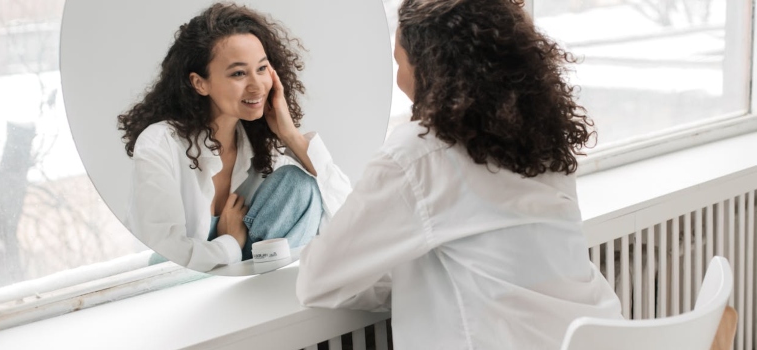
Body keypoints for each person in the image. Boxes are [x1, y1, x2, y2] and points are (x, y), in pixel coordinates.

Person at [296, 0, 622, 348]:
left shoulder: (419, 153)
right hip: (606, 334)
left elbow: (318, 279)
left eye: (398, 61)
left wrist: (408, 282)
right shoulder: (540, 141)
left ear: (429, 68)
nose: (398, 78)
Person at [117, 3, 351, 273]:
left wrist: (290, 135)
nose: (256, 85)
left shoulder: (262, 146)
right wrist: (229, 242)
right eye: (239, 73)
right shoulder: (160, 144)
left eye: (262, 69)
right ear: (199, 83)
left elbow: (346, 218)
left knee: (300, 185)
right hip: (178, 293)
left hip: (253, 288)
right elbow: (166, 256)